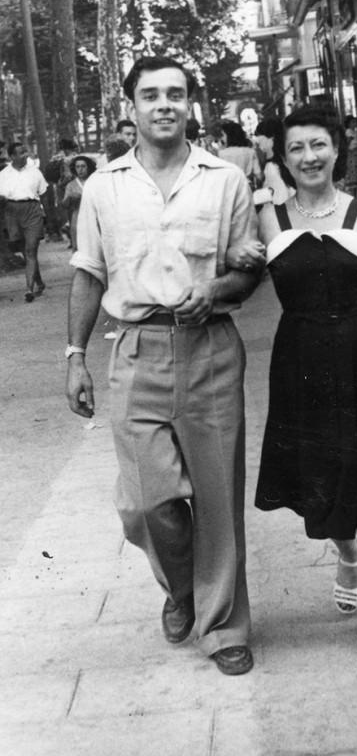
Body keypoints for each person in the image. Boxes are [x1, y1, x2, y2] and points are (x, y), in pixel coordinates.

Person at [66, 55, 261, 676]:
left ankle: (224, 625)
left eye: (175, 94)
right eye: (151, 95)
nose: (164, 105)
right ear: (131, 108)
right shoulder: (103, 187)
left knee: (217, 498)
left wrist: (224, 286)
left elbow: (247, 267)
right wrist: (76, 357)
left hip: (209, 349)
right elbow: (88, 274)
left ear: (190, 104)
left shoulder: (224, 179)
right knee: (146, 504)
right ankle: (181, 590)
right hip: (133, 349)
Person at [229, 105, 357, 654]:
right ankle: (346, 553)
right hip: (302, 366)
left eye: (318, 145)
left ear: (337, 149)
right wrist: (237, 253)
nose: (309, 157)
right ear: (282, 158)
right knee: (324, 474)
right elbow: (235, 273)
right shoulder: (268, 219)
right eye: (296, 149)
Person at [0, 142, 48, 302]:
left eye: (26, 152)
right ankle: (39, 282)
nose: (25, 155)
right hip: (12, 212)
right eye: (21, 153)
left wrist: (45, 214)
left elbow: (44, 194)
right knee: (26, 251)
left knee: (30, 249)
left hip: (32, 211)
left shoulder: (35, 172)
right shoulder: (4, 174)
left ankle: (29, 289)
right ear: (12, 156)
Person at [253, 117, 293, 206]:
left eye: (259, 134)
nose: (256, 139)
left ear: (271, 137)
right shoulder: (283, 160)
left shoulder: (272, 167)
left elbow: (280, 199)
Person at [61, 155, 97, 251]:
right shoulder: (71, 185)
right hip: (78, 218)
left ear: (89, 167)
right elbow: (64, 204)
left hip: (94, 216)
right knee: (79, 246)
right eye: (78, 167)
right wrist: (70, 197)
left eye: (83, 166)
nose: (80, 170)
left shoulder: (95, 181)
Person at [218, 120, 262, 191]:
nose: (222, 138)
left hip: (230, 189)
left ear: (229, 136)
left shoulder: (222, 154)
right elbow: (259, 176)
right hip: (247, 188)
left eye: (223, 135)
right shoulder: (251, 152)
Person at [343, 114, 357, 197]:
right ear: (348, 124)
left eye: (355, 122)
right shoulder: (349, 132)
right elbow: (347, 144)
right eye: (352, 122)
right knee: (354, 175)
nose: (354, 124)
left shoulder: (355, 132)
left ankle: (356, 195)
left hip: (356, 155)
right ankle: (353, 195)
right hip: (352, 155)